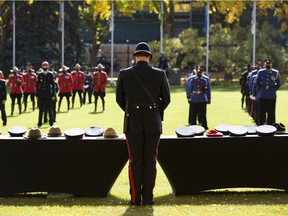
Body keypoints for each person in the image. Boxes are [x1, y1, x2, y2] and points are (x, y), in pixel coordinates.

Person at [116, 42, 171, 206]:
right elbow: (167, 99)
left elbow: (119, 98)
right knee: (150, 160)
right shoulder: (159, 74)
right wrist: (154, 113)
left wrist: (131, 110)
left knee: (134, 160)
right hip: (153, 122)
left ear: (134, 57)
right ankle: (148, 198)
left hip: (132, 121)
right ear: (149, 57)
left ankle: (135, 198)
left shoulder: (124, 74)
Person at [254, 58, 281, 125]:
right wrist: (259, 91)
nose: (268, 65)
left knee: (271, 113)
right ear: (265, 64)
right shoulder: (260, 72)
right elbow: (256, 83)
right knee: (261, 112)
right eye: (267, 63)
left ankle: (271, 126)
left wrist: (273, 89)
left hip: (271, 95)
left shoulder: (276, 72)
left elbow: (278, 83)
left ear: (272, 64)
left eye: (269, 63)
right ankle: (261, 125)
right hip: (262, 94)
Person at [186, 66, 211, 130]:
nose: (199, 73)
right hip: (194, 97)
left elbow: (207, 90)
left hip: (202, 98)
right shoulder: (192, 80)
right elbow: (189, 89)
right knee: (193, 113)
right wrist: (189, 97)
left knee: (203, 114)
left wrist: (208, 98)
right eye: (198, 72)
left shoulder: (205, 80)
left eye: (200, 72)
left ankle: (204, 125)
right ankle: (193, 125)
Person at [36, 61, 56, 127]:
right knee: (41, 109)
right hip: (41, 93)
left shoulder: (50, 74)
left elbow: (53, 85)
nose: (45, 67)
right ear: (42, 66)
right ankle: (39, 122)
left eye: (46, 66)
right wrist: (37, 94)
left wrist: (53, 94)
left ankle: (51, 122)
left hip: (48, 93)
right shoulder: (40, 74)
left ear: (48, 66)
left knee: (50, 108)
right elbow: (37, 85)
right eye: (44, 66)